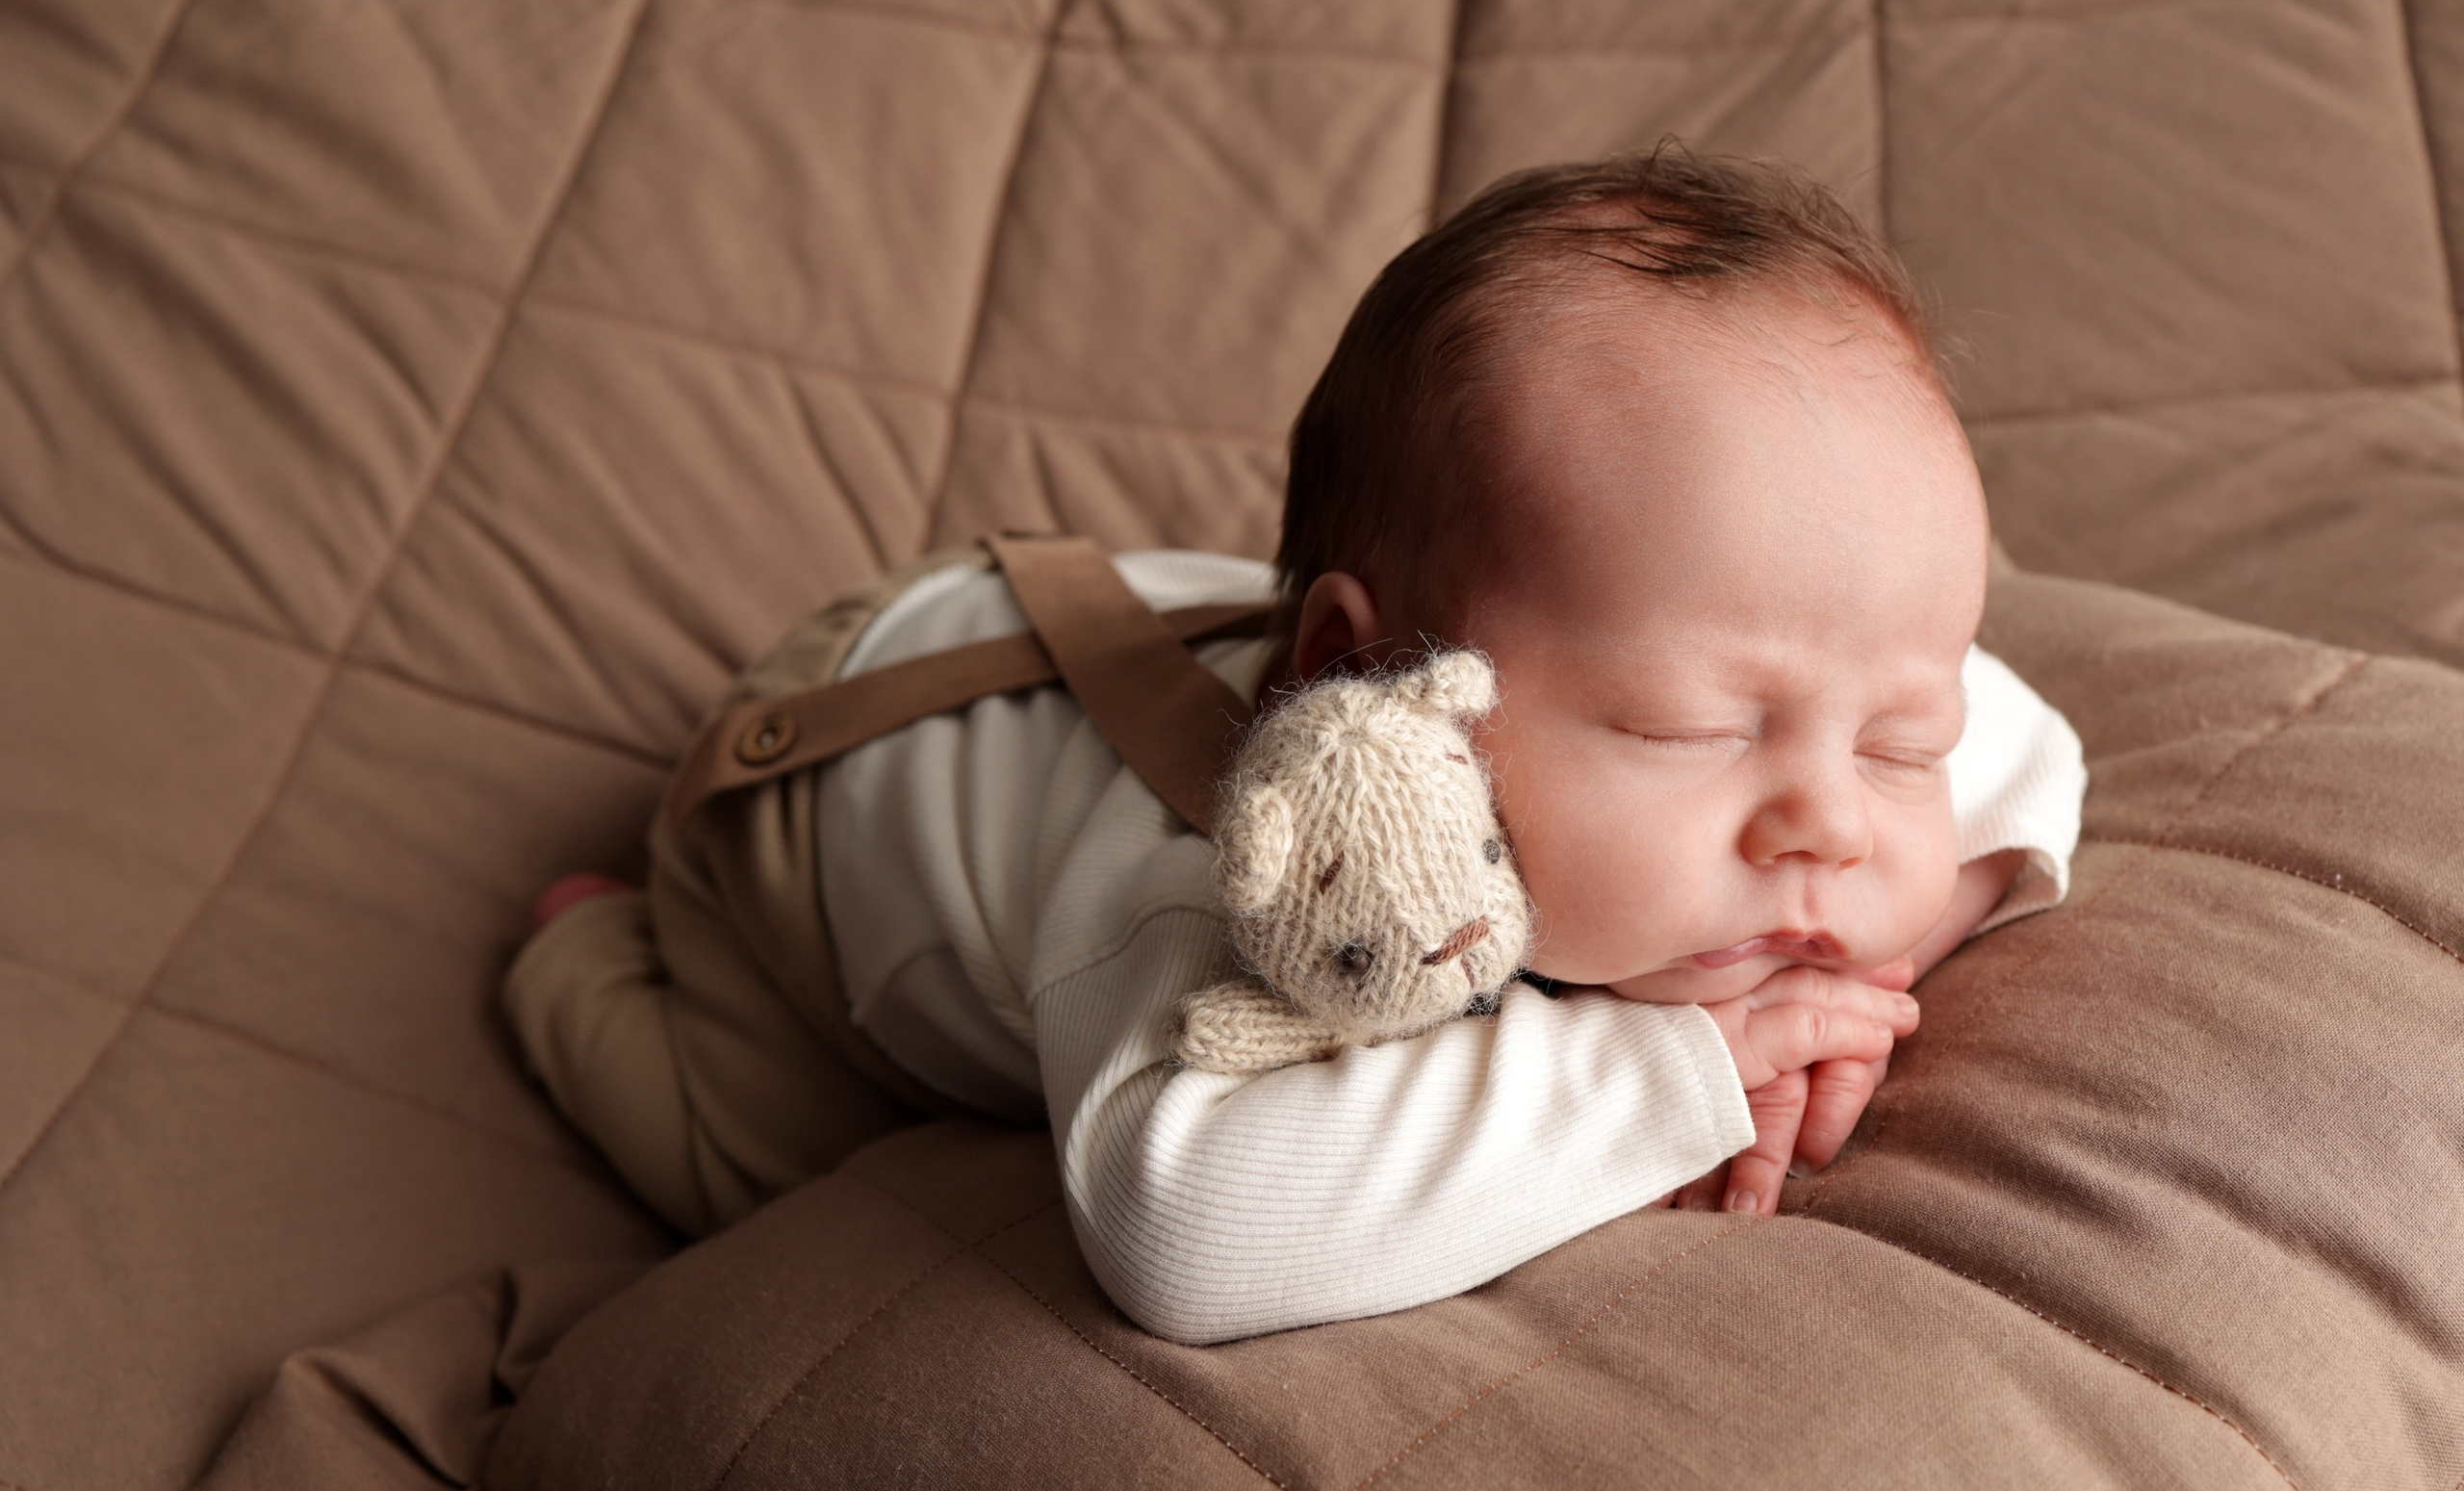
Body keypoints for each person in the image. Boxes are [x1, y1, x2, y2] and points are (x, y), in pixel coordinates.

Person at [507, 144, 2083, 1346]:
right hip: (814, 798)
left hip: (1125, 610)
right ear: (1367, 682)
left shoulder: (1813, 701)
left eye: (1902, 741)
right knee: (742, 1171)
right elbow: (1182, 1232)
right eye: (1694, 727)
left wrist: (1863, 973)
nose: (1832, 826)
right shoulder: (1225, 880)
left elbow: (2033, 752)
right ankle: (575, 960)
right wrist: (1684, 1072)